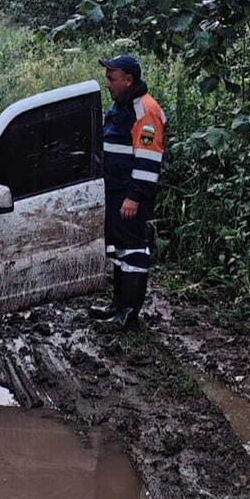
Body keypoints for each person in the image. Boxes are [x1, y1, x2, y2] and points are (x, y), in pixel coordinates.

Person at [89, 54, 167, 330]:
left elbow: (148, 162)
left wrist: (134, 196)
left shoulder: (145, 111)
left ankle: (129, 314)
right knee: (121, 250)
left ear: (128, 80)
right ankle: (118, 306)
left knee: (133, 250)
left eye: (112, 78)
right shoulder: (121, 106)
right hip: (116, 192)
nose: (108, 84)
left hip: (130, 195)